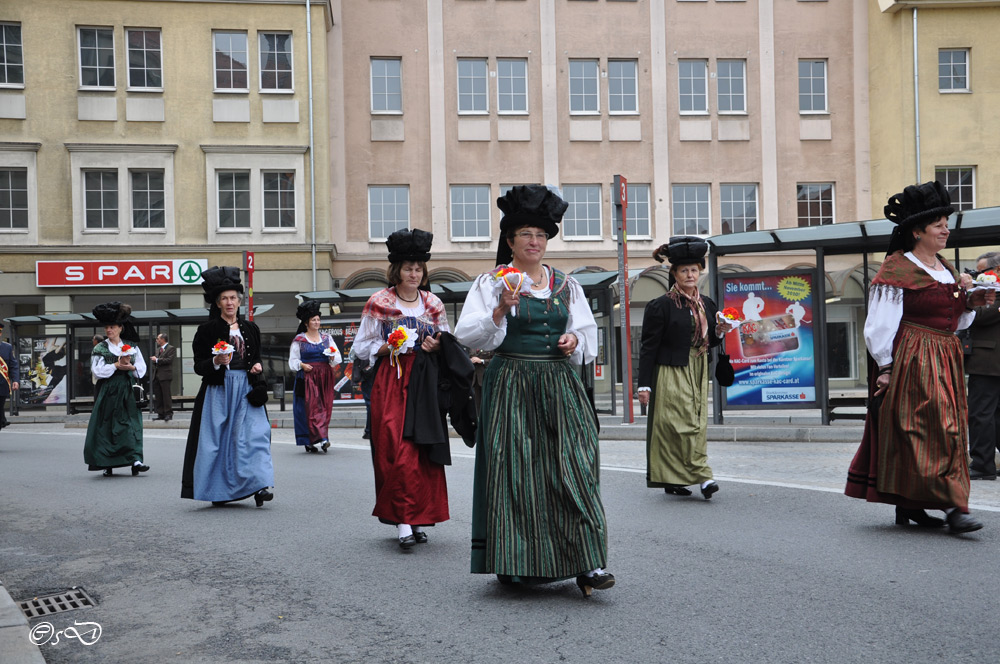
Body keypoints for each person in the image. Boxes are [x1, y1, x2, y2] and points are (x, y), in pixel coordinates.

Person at [455, 184, 612, 597]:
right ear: (510, 240)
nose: (534, 242)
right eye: (526, 234)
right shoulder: (492, 283)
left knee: (576, 465)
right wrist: (501, 309)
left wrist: (574, 341)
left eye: (541, 235)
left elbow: (585, 333)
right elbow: (468, 334)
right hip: (512, 385)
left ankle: (589, 560)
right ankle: (520, 560)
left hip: (560, 383)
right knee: (519, 472)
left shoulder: (566, 285)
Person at [845, 181, 995, 533]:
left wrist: (971, 302)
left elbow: (954, 319)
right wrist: (885, 365)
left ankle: (914, 503)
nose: (945, 229)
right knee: (923, 431)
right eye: (938, 224)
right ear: (917, 231)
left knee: (950, 428)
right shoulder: (897, 269)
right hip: (913, 356)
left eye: (946, 222)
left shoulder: (943, 266)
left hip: (945, 354)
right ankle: (953, 506)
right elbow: (879, 324)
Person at [352, 228, 450, 550]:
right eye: (408, 267)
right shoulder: (379, 302)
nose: (414, 273)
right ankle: (403, 520)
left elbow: (447, 342)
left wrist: (436, 345)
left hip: (424, 383)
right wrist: (389, 345)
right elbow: (361, 347)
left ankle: (416, 516)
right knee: (394, 448)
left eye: (419, 268)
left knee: (420, 452)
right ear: (397, 271)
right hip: (390, 381)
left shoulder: (433, 303)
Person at [637, 237, 729, 500]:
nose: (690, 275)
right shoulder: (661, 305)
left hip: (698, 369)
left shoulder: (708, 305)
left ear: (700, 272)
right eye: (684, 271)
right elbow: (648, 347)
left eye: (694, 270)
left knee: (697, 423)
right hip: (670, 370)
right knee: (680, 425)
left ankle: (673, 477)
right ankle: (703, 476)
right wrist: (644, 384)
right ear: (674, 274)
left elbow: (709, 341)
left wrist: (720, 333)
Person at [181, 266, 275, 507]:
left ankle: (260, 485)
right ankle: (218, 490)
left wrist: (256, 367)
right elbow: (199, 365)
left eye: (233, 297)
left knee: (255, 437)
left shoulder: (251, 328)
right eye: (224, 298)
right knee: (218, 441)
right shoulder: (206, 331)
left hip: (246, 389)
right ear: (218, 302)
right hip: (219, 390)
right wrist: (215, 361)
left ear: (239, 301)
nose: (230, 302)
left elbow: (257, 358)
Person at [83, 302, 150, 477]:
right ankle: (107, 461)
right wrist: (115, 365)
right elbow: (97, 371)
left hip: (128, 390)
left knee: (132, 424)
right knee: (107, 425)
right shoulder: (100, 347)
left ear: (120, 328)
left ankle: (136, 459)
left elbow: (142, 368)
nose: (108, 330)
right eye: (106, 327)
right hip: (109, 390)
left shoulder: (131, 346)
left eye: (112, 327)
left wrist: (131, 368)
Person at [289, 300, 341, 453]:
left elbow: (336, 356)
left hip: (325, 376)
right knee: (310, 408)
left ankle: (323, 437)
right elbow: (293, 361)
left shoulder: (326, 338)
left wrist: (332, 358)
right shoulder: (300, 340)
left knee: (324, 406)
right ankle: (316, 439)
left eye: (318, 319)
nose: (317, 322)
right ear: (306, 323)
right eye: (313, 320)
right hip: (308, 378)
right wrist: (302, 365)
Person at [966, 251, 1000, 480]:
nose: (978, 276)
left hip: (987, 361)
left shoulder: (995, 293)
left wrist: (968, 302)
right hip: (989, 361)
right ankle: (984, 463)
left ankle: (982, 464)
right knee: (994, 416)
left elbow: (977, 316)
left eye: (982, 271)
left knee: (981, 414)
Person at [151, 333, 176, 421]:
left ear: (162, 339)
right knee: (158, 395)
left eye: (158, 338)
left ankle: (168, 413)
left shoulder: (171, 348)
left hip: (165, 375)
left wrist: (157, 360)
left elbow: (169, 360)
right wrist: (155, 360)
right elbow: (157, 362)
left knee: (166, 395)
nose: (156, 340)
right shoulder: (158, 349)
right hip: (157, 375)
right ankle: (160, 413)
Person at [0, 320, 20, 430]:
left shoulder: (6, 347)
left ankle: (2, 420)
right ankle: (2, 420)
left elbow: (13, 365)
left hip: (2, 385)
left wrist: (15, 380)